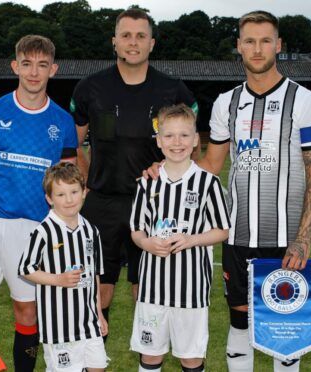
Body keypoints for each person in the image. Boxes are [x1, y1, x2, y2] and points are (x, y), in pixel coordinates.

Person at [145, 10, 311, 372]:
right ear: (238, 47)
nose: (257, 49)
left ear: (278, 45)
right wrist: (162, 171)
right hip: (238, 235)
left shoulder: (304, 101)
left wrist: (303, 238)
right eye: (249, 41)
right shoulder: (227, 103)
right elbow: (210, 166)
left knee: (284, 330)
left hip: (285, 237)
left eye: (264, 41)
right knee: (239, 322)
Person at [0, 35, 78, 372]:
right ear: (14, 66)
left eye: (41, 65)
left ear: (54, 68)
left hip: (36, 231)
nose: (34, 73)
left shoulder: (63, 122)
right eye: (26, 64)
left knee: (28, 311)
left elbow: (69, 180)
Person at [69, 7, 198, 334]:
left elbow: (192, 142)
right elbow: (73, 144)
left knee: (149, 290)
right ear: (114, 41)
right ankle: (93, 362)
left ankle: (149, 361)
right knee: (98, 289)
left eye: (141, 35)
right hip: (103, 203)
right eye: (126, 35)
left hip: (154, 204)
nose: (133, 42)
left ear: (152, 43)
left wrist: (167, 165)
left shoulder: (173, 90)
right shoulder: (90, 87)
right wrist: (86, 180)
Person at [130, 104, 230, 372]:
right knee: (150, 356)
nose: (177, 142)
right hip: (152, 289)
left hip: (192, 290)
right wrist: (147, 243)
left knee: (191, 358)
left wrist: (192, 239)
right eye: (170, 136)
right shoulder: (146, 184)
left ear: (196, 140)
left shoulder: (208, 183)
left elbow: (223, 230)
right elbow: (137, 230)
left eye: (184, 135)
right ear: (159, 141)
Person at [18, 163, 108, 372]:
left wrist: (99, 313)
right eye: (60, 194)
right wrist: (58, 279)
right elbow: (26, 268)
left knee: (98, 368)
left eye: (74, 192)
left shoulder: (91, 231)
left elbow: (93, 274)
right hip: (59, 326)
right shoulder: (43, 232)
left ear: (84, 192)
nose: (69, 200)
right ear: (49, 198)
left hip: (89, 323)